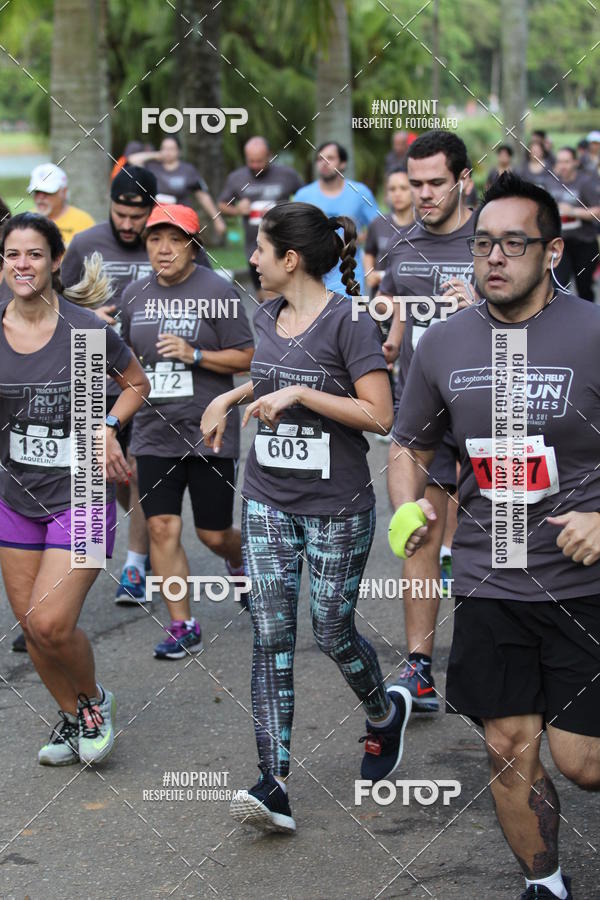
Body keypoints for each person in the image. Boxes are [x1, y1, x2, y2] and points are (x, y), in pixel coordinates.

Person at [390, 172, 600, 900]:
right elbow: (409, 444)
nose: (495, 258)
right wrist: (405, 506)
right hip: (491, 574)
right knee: (509, 747)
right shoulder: (443, 344)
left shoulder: (593, 334)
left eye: (514, 242)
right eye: (483, 244)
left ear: (551, 251)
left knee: (583, 762)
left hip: (584, 584)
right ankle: (545, 883)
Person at [201, 201, 411, 834]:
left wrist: (299, 394)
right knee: (270, 634)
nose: (252, 259)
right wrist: (232, 393)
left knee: (330, 629)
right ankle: (275, 783)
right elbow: (270, 373)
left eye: (260, 248)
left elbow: (380, 416)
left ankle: (382, 715)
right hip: (266, 498)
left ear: (289, 259)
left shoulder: (349, 323)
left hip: (336, 506)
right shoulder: (266, 312)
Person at [0, 212, 149, 766]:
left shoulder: (83, 331)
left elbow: (137, 382)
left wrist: (107, 425)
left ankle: (95, 704)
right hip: (14, 495)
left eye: (34, 254)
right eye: (12, 254)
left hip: (82, 488)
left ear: (56, 261)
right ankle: (70, 714)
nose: (22, 264)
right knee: (32, 630)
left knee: (51, 621)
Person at [120, 204, 254, 659]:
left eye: (174, 239)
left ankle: (238, 560)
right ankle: (183, 623)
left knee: (212, 534)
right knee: (160, 526)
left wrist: (193, 355)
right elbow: (124, 361)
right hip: (154, 430)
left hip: (207, 430)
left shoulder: (218, 290)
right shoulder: (134, 294)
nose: (163, 248)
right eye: (155, 238)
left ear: (192, 245)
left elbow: (248, 356)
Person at [378, 130, 477, 713]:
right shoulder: (404, 246)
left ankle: (489, 658)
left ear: (463, 180)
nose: (423, 194)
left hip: (495, 415)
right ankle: (419, 668)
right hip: (427, 418)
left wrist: (481, 313)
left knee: (487, 542)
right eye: (415, 184)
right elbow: (397, 316)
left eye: (436, 183)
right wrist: (389, 342)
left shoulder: (494, 240)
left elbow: (545, 316)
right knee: (420, 531)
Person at [60, 166, 163, 613]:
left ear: (150, 213)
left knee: (138, 470)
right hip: (89, 373)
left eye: (135, 217)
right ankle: (67, 584)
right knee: (95, 477)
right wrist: (86, 319)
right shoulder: (84, 244)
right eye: (120, 214)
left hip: (143, 377)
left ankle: (136, 566)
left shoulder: (166, 244)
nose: (127, 224)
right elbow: (53, 300)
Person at [218, 136, 303, 301]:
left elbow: (305, 199)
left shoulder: (287, 175)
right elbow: (222, 205)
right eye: (251, 161)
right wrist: (237, 210)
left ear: (269, 156)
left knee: (284, 295)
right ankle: (269, 324)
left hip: (284, 244)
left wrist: (285, 211)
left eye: (260, 161)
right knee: (264, 297)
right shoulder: (237, 178)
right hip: (254, 248)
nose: (255, 166)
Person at [294, 141, 380, 295]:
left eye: (330, 158)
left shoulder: (360, 192)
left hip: (350, 276)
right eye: (320, 159)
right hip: (312, 277)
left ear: (343, 163)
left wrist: (357, 237)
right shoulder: (303, 195)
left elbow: (379, 227)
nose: (324, 163)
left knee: (352, 318)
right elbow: (293, 233)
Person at [129, 136, 226, 237]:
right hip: (157, 220)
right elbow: (133, 160)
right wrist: (156, 155)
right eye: (165, 148)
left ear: (179, 151)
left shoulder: (188, 170)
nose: (168, 152)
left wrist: (217, 219)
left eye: (171, 149)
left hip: (181, 221)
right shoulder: (153, 167)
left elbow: (203, 196)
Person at [546, 147, 600, 301]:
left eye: (567, 162)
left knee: (584, 287)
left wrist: (572, 212)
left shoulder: (585, 182)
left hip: (584, 243)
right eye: (560, 162)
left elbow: (597, 212)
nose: (563, 166)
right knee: (558, 287)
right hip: (560, 244)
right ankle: (563, 321)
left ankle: (590, 321)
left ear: (575, 162)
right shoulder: (551, 182)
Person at [363, 166, 414, 294]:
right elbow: (369, 251)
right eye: (392, 189)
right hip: (381, 298)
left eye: (403, 188)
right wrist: (369, 273)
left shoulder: (424, 224)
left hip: (413, 297)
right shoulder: (378, 223)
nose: (397, 194)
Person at [28, 163, 95, 247]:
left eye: (48, 192)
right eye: (37, 191)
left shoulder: (84, 222)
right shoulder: (24, 221)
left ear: (64, 192)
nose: (41, 197)